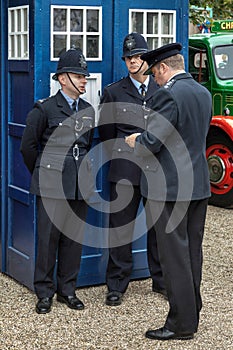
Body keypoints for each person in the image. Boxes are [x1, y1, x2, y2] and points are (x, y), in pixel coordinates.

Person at [125, 43, 212, 340]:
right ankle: (192, 310)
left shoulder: (168, 94)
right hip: (198, 186)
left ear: (163, 67)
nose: (156, 80)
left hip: (171, 189)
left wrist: (136, 139)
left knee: (173, 257)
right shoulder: (202, 92)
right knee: (191, 254)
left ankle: (180, 324)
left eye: (156, 73)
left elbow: (153, 142)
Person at [20, 48, 95, 314]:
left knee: (73, 239)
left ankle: (67, 290)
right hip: (51, 184)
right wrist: (42, 174)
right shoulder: (45, 108)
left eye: (85, 76)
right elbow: (28, 148)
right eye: (78, 75)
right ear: (63, 79)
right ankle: (44, 292)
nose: (85, 80)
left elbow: (87, 146)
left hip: (78, 184)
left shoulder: (87, 110)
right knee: (48, 239)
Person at [98, 32, 165, 307]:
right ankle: (116, 285)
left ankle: (161, 281)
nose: (132, 61)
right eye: (128, 58)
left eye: (137, 56)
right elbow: (105, 134)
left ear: (146, 58)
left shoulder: (162, 90)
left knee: (159, 229)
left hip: (157, 173)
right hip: (124, 173)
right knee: (120, 231)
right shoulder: (114, 92)